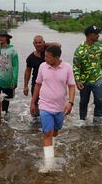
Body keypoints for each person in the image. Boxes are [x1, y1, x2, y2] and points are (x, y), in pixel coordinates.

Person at [30, 45, 75, 173]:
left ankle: (51, 146)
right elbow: (38, 84)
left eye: (48, 57)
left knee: (55, 131)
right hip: (44, 105)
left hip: (60, 107)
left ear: (56, 57)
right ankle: (49, 164)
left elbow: (72, 86)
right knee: (47, 133)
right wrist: (33, 103)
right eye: (45, 56)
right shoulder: (43, 66)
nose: (45, 59)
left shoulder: (67, 68)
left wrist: (70, 102)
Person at [73, 25, 102, 124]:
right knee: (84, 102)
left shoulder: (100, 47)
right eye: (96, 34)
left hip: (97, 79)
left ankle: (97, 121)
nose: (98, 36)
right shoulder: (80, 49)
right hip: (84, 81)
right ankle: (82, 121)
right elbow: (76, 66)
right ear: (89, 35)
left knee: (99, 100)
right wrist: (77, 80)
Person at [23, 35, 60, 118]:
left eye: (40, 42)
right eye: (36, 43)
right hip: (36, 83)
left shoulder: (49, 53)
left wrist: (44, 44)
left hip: (50, 83)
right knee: (35, 103)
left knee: (50, 103)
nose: (38, 44)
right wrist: (26, 86)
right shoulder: (30, 58)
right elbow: (28, 71)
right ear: (33, 44)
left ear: (43, 42)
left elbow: (58, 45)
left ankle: (49, 120)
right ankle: (36, 124)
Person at [0, 30, 19, 118]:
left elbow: (15, 66)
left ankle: (5, 119)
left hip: (8, 80)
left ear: (7, 38)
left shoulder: (12, 50)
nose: (1, 38)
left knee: (6, 101)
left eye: (3, 36)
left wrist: (14, 80)